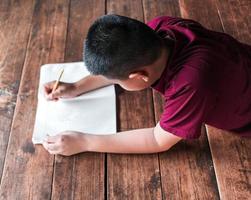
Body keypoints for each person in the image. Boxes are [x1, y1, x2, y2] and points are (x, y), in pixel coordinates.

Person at [42, 15, 251, 156]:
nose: (112, 81)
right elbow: (119, 66)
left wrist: (84, 142)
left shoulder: (190, 85)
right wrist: (76, 87)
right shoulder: (161, 28)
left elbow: (157, 140)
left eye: (116, 81)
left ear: (140, 75)